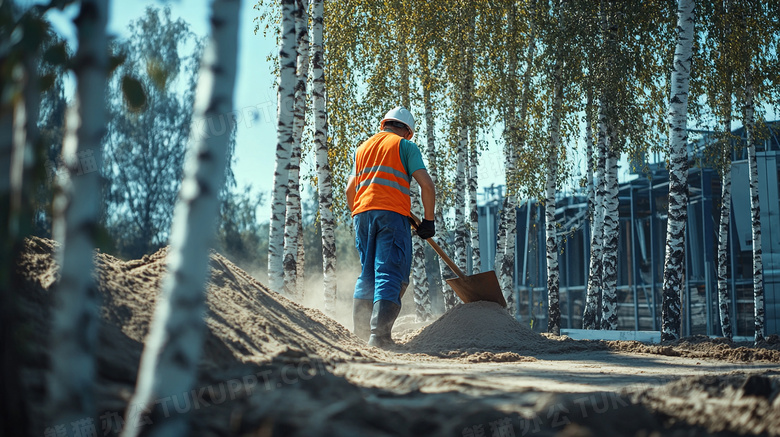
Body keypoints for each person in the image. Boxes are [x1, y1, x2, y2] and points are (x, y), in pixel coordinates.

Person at [345, 106, 436, 348]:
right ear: (407, 131)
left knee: (368, 273)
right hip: (392, 216)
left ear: (385, 124)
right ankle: (380, 337)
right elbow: (426, 185)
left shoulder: (362, 149)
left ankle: (361, 335)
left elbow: (349, 190)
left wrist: (362, 212)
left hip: (362, 214)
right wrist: (429, 220)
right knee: (390, 272)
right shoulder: (405, 146)